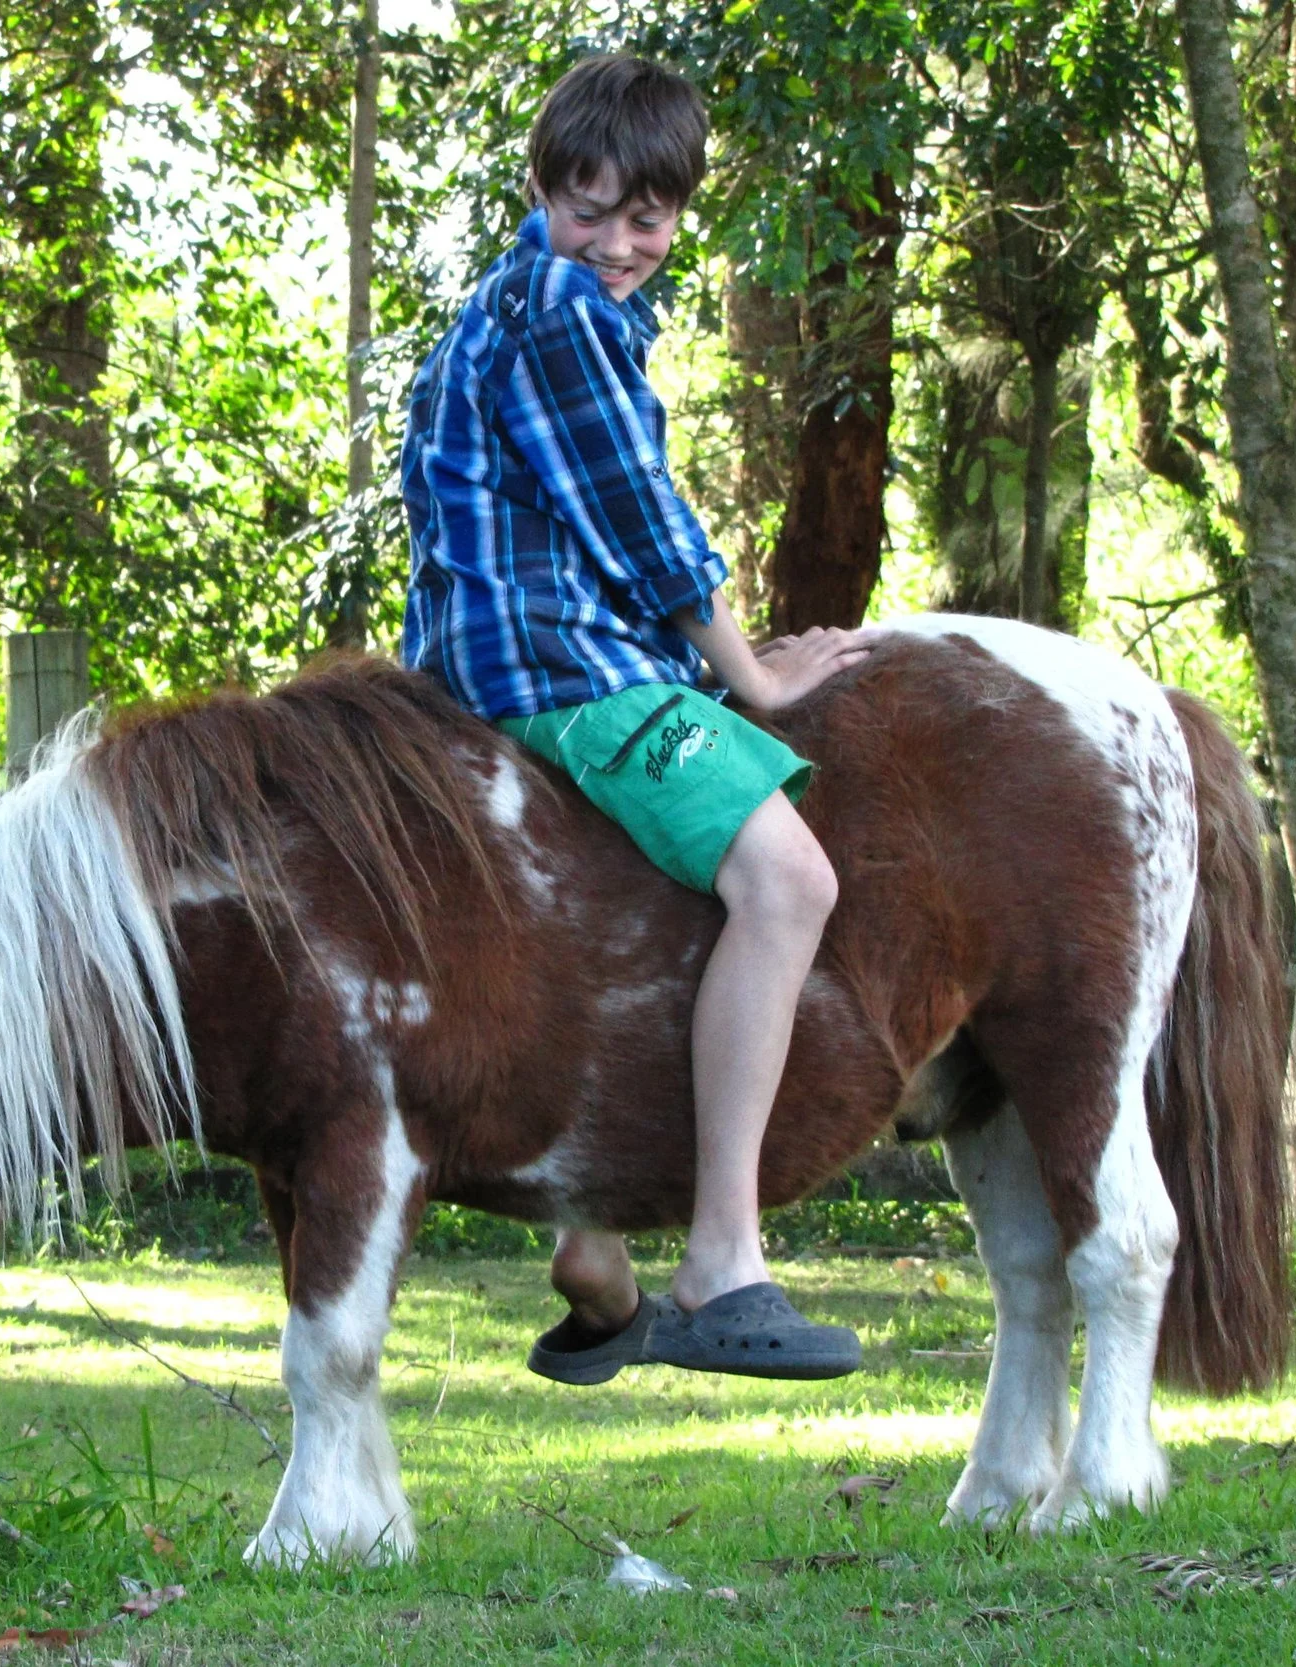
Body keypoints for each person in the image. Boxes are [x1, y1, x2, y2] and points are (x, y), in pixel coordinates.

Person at [399, 53, 869, 1380]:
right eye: (587, 206)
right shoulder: (564, 312)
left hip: (477, 677)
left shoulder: (497, 305)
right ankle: (724, 1252)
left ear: (677, 217)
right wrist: (758, 679)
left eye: (646, 218)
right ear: (541, 189)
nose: (616, 244)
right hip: (560, 672)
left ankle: (594, 1235)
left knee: (625, 909)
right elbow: (648, 528)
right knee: (788, 881)